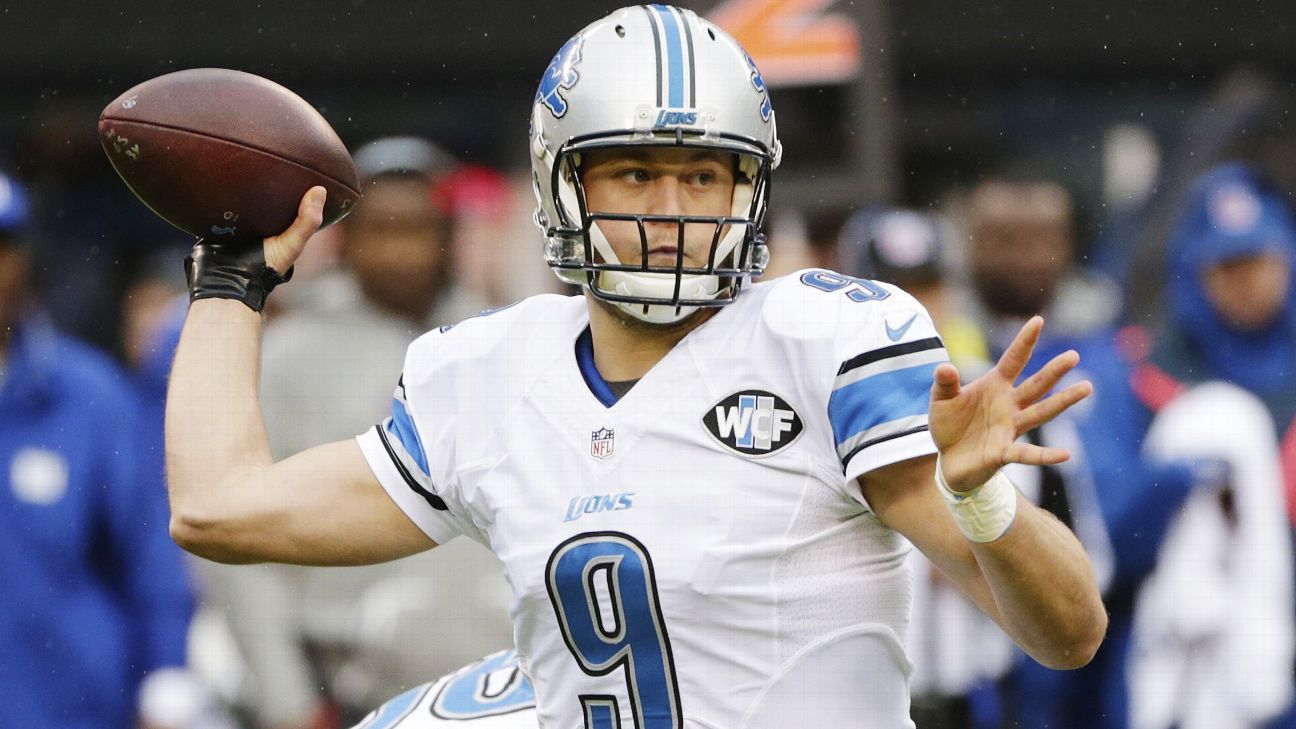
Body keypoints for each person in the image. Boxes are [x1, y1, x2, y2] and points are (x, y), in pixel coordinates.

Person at [163, 7, 1105, 728]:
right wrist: (231, 285)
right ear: (561, 184)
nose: (670, 210)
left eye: (704, 175)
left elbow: (1069, 634)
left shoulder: (827, 341)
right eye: (633, 173)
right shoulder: (488, 371)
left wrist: (986, 505)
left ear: (752, 188)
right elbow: (219, 508)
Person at [198, 136, 510, 728]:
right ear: (345, 240)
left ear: (448, 238)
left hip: (504, 693)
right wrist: (285, 698)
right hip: (349, 695)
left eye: (417, 230)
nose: (400, 253)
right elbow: (243, 538)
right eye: (381, 231)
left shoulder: (504, 342)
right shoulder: (286, 356)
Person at [0, 170, 196, 728]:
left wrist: (166, 674)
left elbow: (149, 553)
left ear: (24, 260)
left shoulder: (90, 396)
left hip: (66, 709)